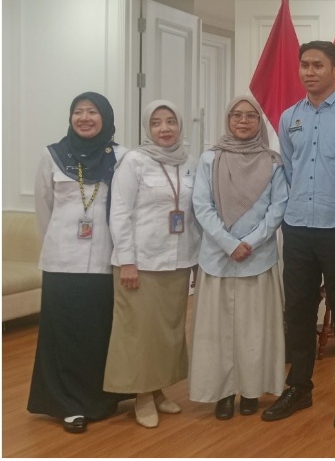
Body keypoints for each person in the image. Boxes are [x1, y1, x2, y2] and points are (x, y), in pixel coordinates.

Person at [264, 40, 335, 428]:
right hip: (298, 228)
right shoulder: (289, 116)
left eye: (318, 65)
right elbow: (290, 169)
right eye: (304, 65)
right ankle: (299, 387)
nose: (309, 72)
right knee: (298, 310)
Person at [28, 92, 131, 434]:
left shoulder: (121, 157)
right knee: (64, 335)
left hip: (103, 259)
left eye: (92, 112)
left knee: (98, 333)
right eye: (78, 112)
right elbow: (44, 208)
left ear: (106, 118)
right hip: (61, 261)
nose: (84, 118)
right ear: (70, 118)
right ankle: (68, 404)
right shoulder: (52, 156)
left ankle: (101, 398)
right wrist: (55, 244)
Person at [188, 95, 288, 420]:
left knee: (254, 330)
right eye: (236, 115)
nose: (243, 121)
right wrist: (229, 243)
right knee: (216, 332)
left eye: (250, 116)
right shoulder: (210, 159)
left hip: (258, 258)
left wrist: (251, 242)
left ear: (259, 122)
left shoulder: (273, 162)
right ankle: (223, 392)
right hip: (218, 257)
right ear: (228, 119)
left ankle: (251, 390)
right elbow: (201, 206)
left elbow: (278, 208)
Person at [103, 100, 201, 428]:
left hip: (178, 261)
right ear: (147, 127)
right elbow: (119, 212)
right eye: (157, 122)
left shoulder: (189, 162)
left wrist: (196, 259)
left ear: (180, 124)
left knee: (168, 333)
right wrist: (127, 262)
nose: (164, 128)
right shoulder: (133, 161)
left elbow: (195, 214)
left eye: (171, 121)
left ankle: (158, 389)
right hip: (141, 262)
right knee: (139, 333)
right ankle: (141, 395)